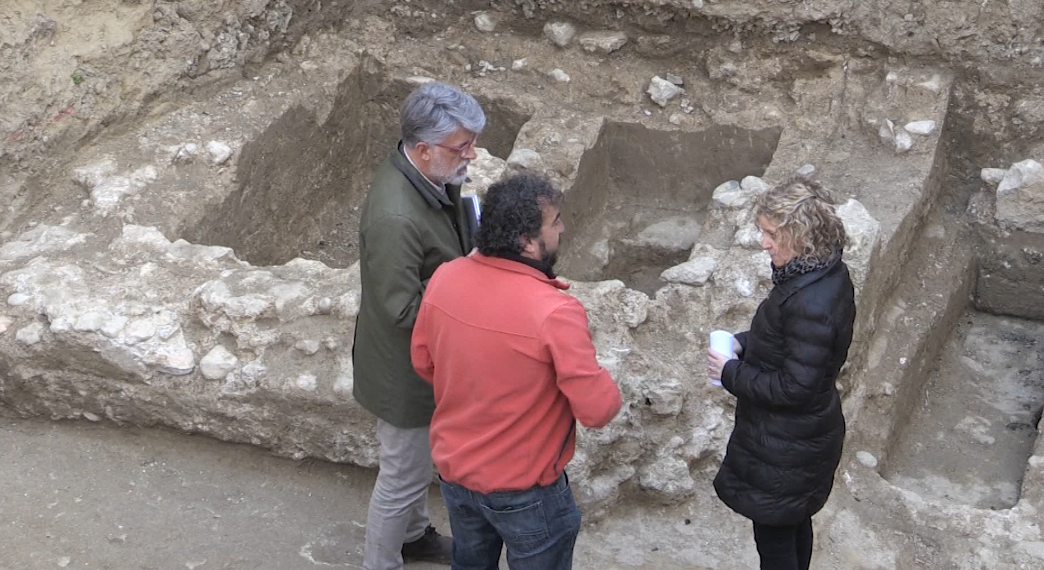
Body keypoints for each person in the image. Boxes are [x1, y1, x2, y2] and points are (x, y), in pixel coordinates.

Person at [410, 174, 623, 570]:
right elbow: (598, 410)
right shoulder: (555, 311)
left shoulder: (446, 277)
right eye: (555, 221)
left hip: (457, 475)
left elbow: (424, 363)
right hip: (527, 491)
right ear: (526, 240)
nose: (562, 228)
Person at [352, 81, 486, 570]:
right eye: (462, 146)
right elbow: (402, 310)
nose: (471, 154)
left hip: (418, 361)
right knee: (402, 477)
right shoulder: (395, 215)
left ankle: (413, 538)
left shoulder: (427, 175)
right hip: (404, 369)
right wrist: (467, 281)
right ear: (424, 149)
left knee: (412, 467)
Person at [707, 175, 856, 570]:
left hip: (786, 448)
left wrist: (730, 372)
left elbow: (796, 387)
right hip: (801, 441)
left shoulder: (810, 300)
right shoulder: (822, 273)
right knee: (792, 523)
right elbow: (796, 347)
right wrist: (744, 341)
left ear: (801, 233)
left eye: (772, 234)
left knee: (774, 540)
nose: (763, 242)